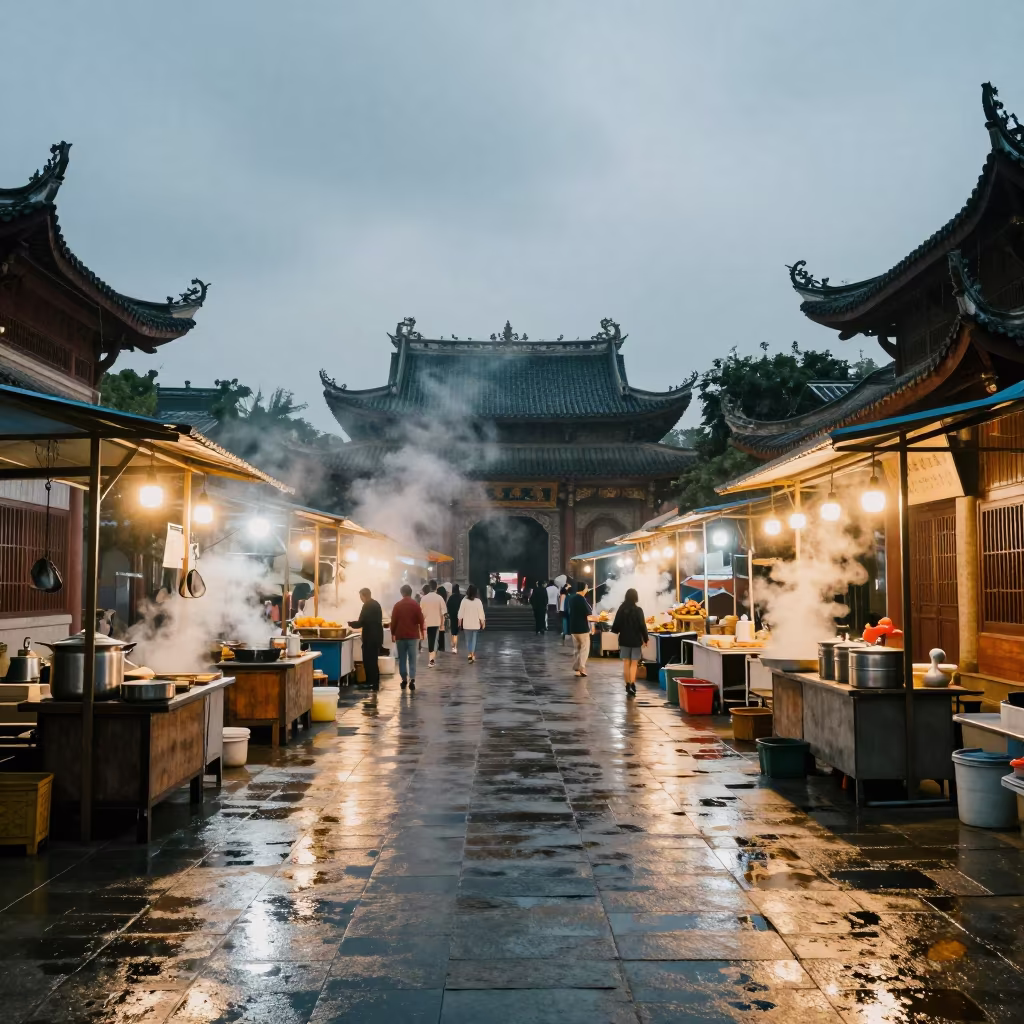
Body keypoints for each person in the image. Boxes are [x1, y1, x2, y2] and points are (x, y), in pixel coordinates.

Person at [610, 587, 649, 698]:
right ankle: (632, 684)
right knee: (634, 663)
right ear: (636, 598)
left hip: (624, 639)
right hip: (636, 640)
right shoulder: (638, 610)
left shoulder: (621, 609)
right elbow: (643, 626)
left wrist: (617, 631)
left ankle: (627, 684)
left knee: (626, 663)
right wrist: (646, 639)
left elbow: (616, 624)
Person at [391, 584, 425, 690]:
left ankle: (404, 679)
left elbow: (393, 621)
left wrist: (393, 633)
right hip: (412, 636)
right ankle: (412, 679)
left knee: (402, 658)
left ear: (402, 593)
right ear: (411, 593)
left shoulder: (397, 605)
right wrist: (422, 633)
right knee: (412, 658)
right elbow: (421, 620)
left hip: (400, 636)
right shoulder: (415, 605)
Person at [349, 587, 384, 691]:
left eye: (360, 596)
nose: (360, 598)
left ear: (364, 595)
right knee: (373, 660)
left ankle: (370, 682)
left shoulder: (367, 605)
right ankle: (374, 682)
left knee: (369, 660)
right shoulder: (376, 604)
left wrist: (350, 624)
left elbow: (361, 622)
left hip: (370, 637)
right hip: (377, 636)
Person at [567, 581, 594, 677]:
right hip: (582, 627)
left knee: (577, 648)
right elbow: (588, 613)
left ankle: (577, 666)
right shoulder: (582, 599)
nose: (587, 590)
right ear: (583, 589)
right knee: (584, 648)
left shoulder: (572, 598)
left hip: (573, 627)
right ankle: (582, 667)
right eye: (586, 588)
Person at [421, 581, 448, 667]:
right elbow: (444, 610)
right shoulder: (439, 598)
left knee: (430, 639)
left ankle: (431, 658)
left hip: (427, 621)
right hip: (437, 621)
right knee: (434, 638)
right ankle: (432, 658)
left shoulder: (424, 598)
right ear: (436, 587)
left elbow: (421, 611)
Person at [459, 583, 486, 663]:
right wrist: (483, 622)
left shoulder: (464, 601)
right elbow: (481, 614)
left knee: (468, 640)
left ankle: (469, 654)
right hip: (475, 624)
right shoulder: (478, 601)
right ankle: (472, 654)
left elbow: (460, 614)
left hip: (466, 624)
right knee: (474, 639)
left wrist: (460, 623)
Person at [447, 584, 464, 654]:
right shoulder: (461, 597)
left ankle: (453, 646)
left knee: (453, 631)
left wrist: (448, 613)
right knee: (456, 632)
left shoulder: (451, 597)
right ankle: (455, 646)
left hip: (452, 615)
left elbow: (448, 605)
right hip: (459, 616)